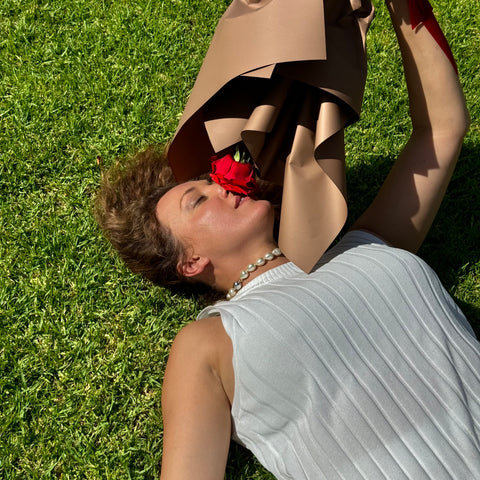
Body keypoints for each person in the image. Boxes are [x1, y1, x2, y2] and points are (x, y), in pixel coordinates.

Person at [95, 0, 479, 479]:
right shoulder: (207, 344)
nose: (225, 183)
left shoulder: (365, 246)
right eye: (199, 200)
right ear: (189, 262)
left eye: (207, 182)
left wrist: (408, 6)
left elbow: (441, 131)